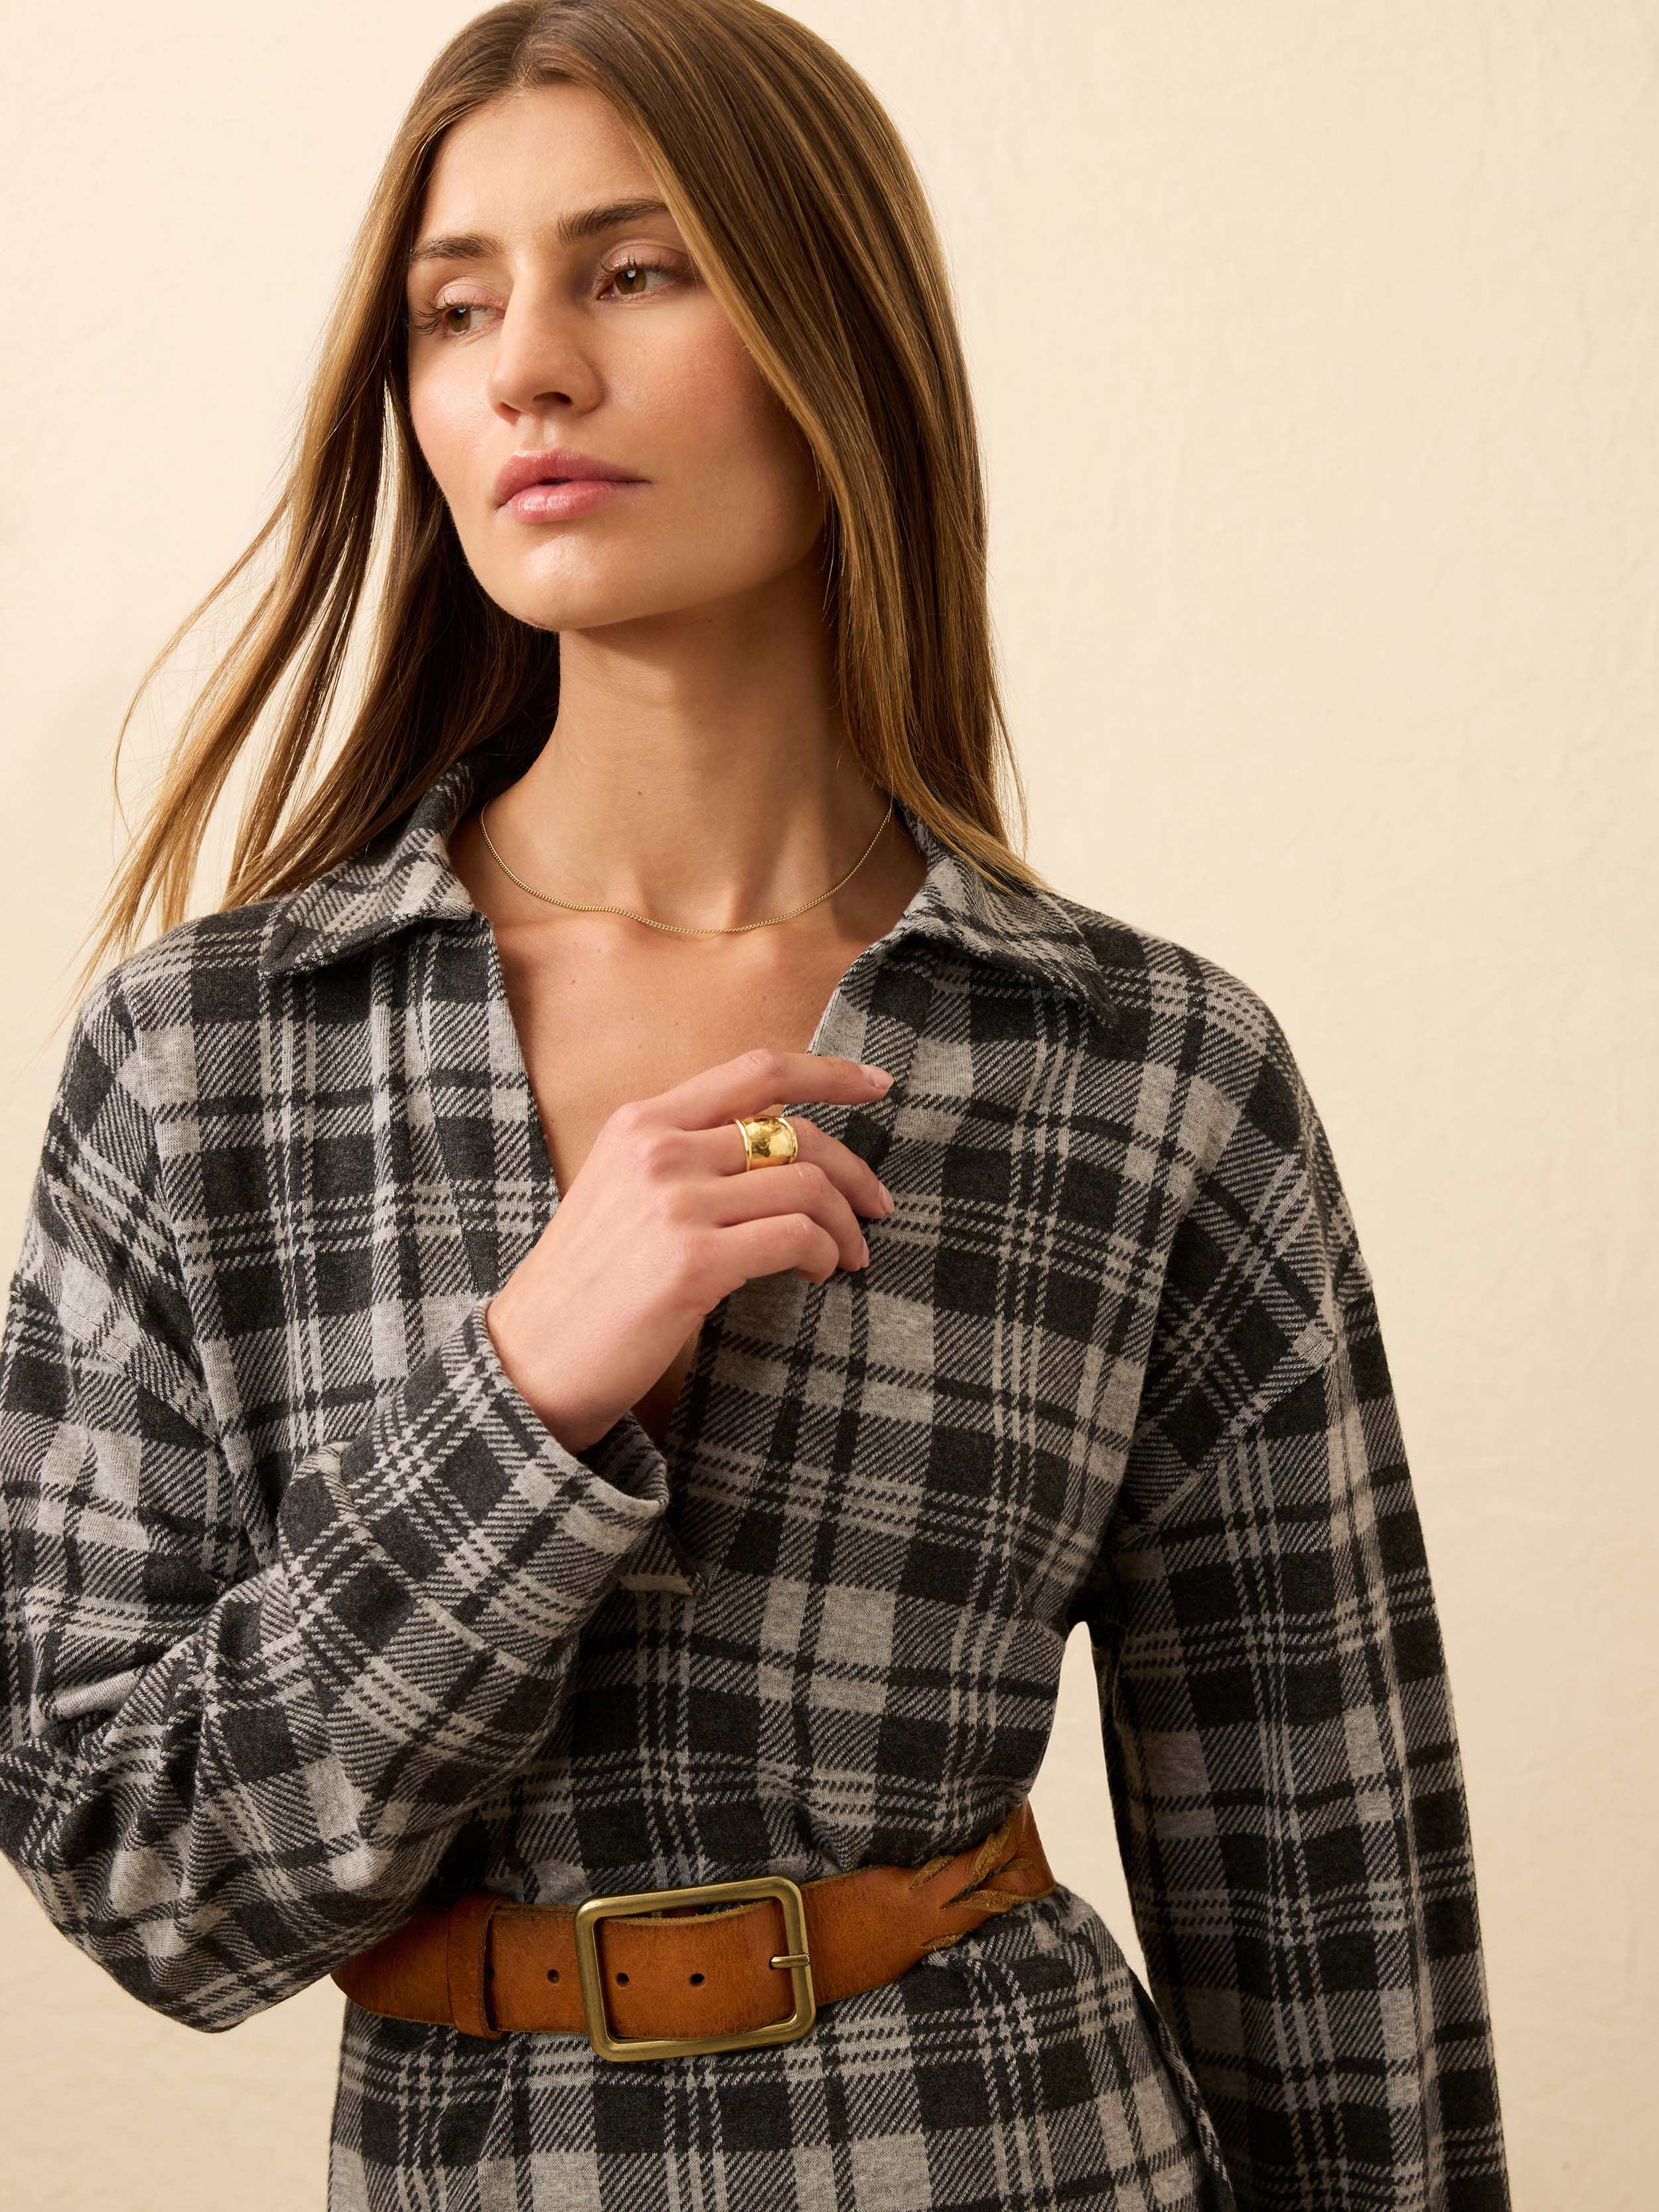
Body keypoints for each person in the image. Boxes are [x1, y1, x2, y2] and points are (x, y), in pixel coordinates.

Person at [0, 4, 1512, 2208]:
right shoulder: (206, 1057)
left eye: (634, 270)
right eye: (454, 304)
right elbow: (144, 1878)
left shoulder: (1146, 1070)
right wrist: (522, 1397)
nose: (525, 366)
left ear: (836, 336)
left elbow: (1328, 1907)